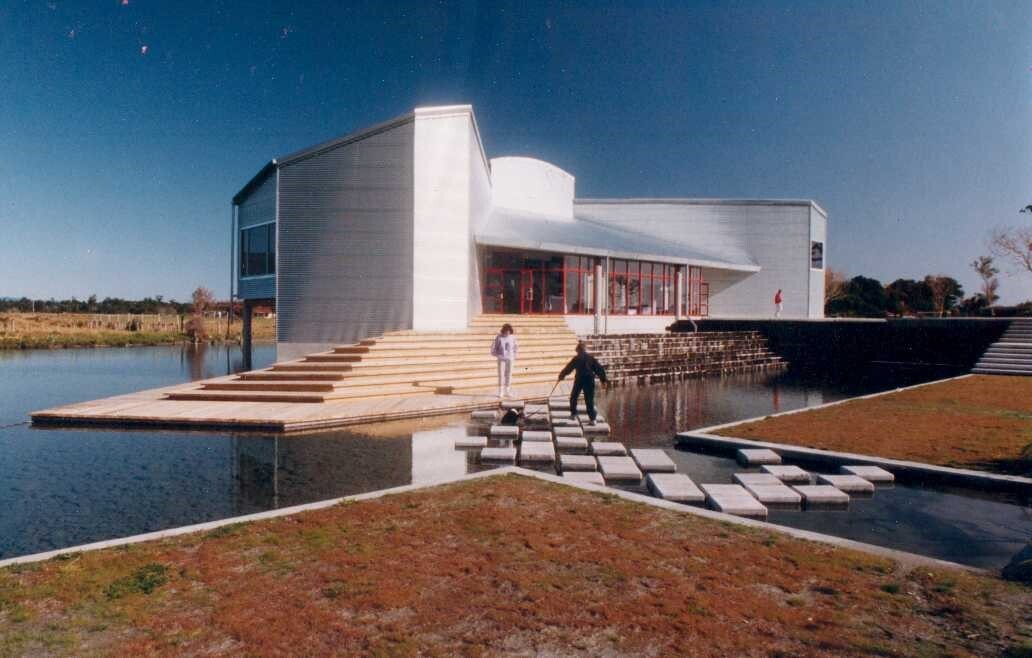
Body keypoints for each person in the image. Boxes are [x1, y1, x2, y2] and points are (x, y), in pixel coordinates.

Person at [557, 341, 608, 424]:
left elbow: (568, 368)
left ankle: (573, 414)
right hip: (589, 380)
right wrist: (604, 380)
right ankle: (592, 419)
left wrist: (561, 376)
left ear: (579, 350)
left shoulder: (576, 358)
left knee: (573, 397)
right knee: (589, 400)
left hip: (580, 379)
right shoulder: (591, 358)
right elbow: (599, 369)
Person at [491, 323, 518, 398]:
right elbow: (494, 348)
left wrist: (514, 355)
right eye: (506, 331)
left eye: (509, 331)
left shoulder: (513, 337)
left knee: (509, 374)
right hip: (501, 359)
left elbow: (516, 347)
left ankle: (507, 391)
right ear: (503, 331)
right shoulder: (499, 337)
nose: (507, 333)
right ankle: (501, 391)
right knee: (501, 375)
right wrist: (498, 355)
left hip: (510, 359)